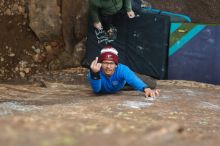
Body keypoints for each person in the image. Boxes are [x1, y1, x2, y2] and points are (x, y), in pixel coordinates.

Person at [88, 46, 160, 97]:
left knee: (152, 83)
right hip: (115, 86)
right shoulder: (94, 72)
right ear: (100, 63)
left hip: (122, 81)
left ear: (116, 65)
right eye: (105, 63)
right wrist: (95, 74)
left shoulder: (122, 69)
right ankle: (120, 85)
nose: (108, 67)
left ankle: (127, 82)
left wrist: (146, 89)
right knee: (113, 87)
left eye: (111, 63)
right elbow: (97, 90)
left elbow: (133, 79)